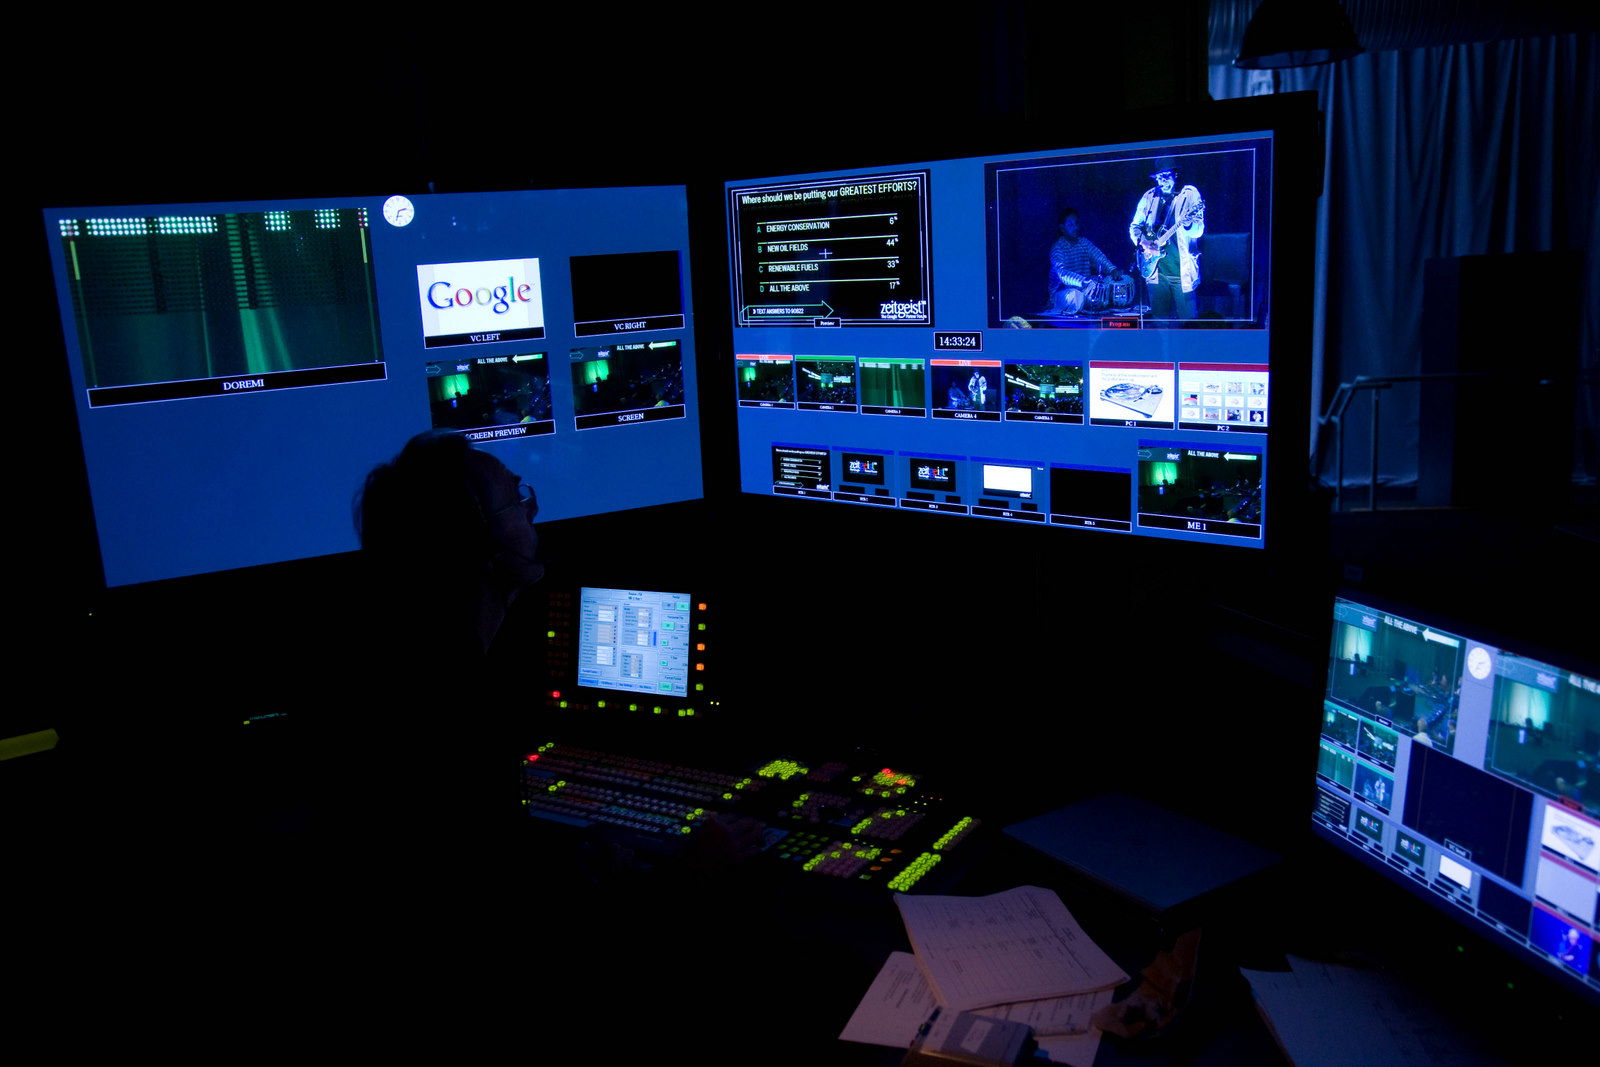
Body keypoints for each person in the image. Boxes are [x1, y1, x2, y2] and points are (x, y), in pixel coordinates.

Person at [1129, 160, 1204, 319]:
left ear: (1175, 174)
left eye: (1166, 176)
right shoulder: (1149, 196)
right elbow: (1134, 226)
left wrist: (1189, 224)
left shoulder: (1189, 194)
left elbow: (1199, 231)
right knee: (1160, 324)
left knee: (1189, 324)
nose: (1162, 181)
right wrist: (1143, 242)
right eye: (1158, 177)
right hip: (1156, 272)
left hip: (1181, 272)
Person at [1044, 208, 1118, 314]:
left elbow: (1099, 257)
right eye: (1071, 225)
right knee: (1076, 296)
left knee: (1103, 287)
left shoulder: (1084, 243)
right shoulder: (1058, 248)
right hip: (1062, 294)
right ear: (1062, 228)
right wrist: (1083, 281)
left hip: (1083, 290)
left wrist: (1112, 270)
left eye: (1076, 224)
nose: (1075, 228)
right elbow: (1062, 274)